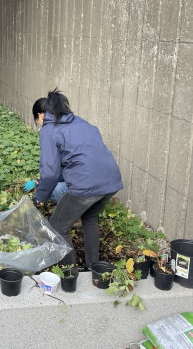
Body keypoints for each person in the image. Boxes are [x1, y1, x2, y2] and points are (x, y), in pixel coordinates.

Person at [32, 89, 123, 269]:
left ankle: (70, 273)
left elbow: (49, 173)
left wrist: (40, 197)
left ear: (41, 115)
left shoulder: (49, 130)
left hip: (85, 186)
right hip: (111, 180)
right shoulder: (81, 123)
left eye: (37, 118)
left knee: (57, 227)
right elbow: (76, 159)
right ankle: (93, 267)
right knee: (90, 218)